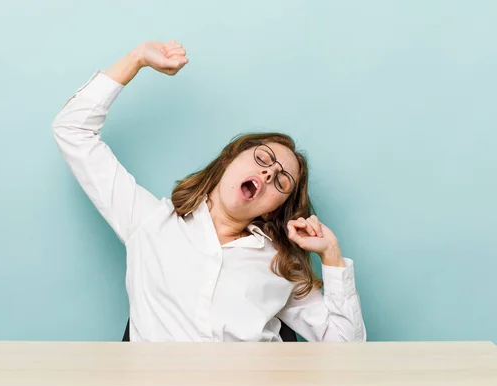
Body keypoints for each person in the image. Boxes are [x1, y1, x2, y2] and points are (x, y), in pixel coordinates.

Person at [52, 40, 366, 342]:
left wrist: (331, 255)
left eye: (282, 181)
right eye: (263, 159)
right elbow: (72, 130)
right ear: (228, 161)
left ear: (273, 208)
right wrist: (136, 59)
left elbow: (344, 348)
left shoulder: (278, 262)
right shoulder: (148, 221)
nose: (270, 172)